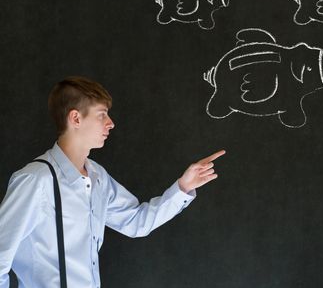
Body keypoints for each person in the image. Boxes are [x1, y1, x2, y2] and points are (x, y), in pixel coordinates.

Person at [0, 76, 225, 288]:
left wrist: (183, 187)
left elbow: (137, 222)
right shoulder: (36, 180)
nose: (111, 123)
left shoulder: (97, 177)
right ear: (76, 118)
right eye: (102, 115)